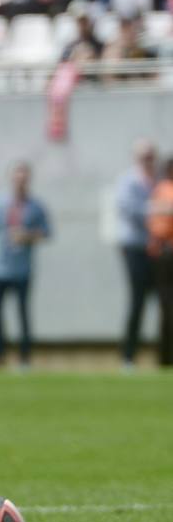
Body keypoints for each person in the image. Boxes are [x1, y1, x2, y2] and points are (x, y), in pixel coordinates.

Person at [0, 162, 52, 369]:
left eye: (24, 178)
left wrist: (27, 236)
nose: (20, 182)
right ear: (10, 179)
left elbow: (47, 233)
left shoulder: (36, 206)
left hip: (22, 270)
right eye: (17, 178)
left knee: (22, 313)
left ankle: (24, 358)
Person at [116, 140, 158, 367]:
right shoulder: (128, 181)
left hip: (159, 248)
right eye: (144, 156)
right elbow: (129, 209)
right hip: (135, 247)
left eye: (151, 155)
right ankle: (128, 356)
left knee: (164, 301)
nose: (148, 160)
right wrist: (158, 215)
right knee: (137, 300)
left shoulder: (161, 181)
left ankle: (165, 357)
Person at [148, 157, 173, 366]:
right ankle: (166, 358)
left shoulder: (160, 190)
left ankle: (165, 358)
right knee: (166, 307)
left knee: (166, 307)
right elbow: (159, 226)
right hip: (167, 252)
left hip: (164, 252)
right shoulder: (164, 190)